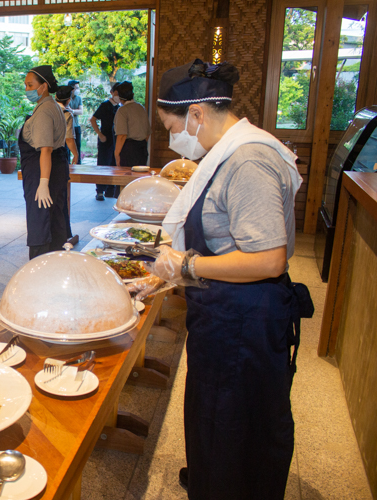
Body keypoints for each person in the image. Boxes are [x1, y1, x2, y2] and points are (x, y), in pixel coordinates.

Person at [129, 59, 313, 500]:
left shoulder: (248, 160)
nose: (171, 138)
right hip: (223, 312)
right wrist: (164, 277)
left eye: (170, 126)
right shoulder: (225, 153)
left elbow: (268, 259)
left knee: (234, 423)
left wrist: (187, 267)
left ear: (196, 114)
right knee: (213, 417)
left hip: (244, 323)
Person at [20, 65, 72, 260]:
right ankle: (55, 265)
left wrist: (43, 183)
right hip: (54, 168)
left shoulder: (44, 111)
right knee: (54, 219)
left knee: (40, 223)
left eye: (30, 85)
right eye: (25, 85)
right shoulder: (52, 106)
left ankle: (39, 269)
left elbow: (46, 149)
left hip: (43, 171)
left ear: (43, 86)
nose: (27, 89)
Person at [90, 82, 121, 200]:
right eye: (116, 93)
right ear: (112, 93)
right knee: (103, 163)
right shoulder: (105, 105)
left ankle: (111, 189)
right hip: (105, 138)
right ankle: (100, 191)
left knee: (114, 163)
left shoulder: (120, 107)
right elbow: (93, 119)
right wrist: (100, 134)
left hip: (116, 138)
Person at [113, 81, 150, 169]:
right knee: (139, 179)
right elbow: (147, 133)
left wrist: (117, 154)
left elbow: (122, 135)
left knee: (125, 179)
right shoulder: (141, 108)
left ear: (119, 96)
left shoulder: (122, 110)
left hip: (128, 150)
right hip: (142, 148)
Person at [55, 85, 79, 164]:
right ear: (69, 100)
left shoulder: (46, 109)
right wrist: (75, 154)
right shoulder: (66, 114)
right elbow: (69, 138)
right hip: (57, 152)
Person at [66, 80, 83, 164]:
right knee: (67, 148)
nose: (77, 90)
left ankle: (78, 164)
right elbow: (66, 110)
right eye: (76, 88)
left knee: (77, 147)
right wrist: (74, 111)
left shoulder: (78, 98)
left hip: (76, 126)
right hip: (67, 126)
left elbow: (81, 111)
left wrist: (72, 110)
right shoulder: (66, 97)